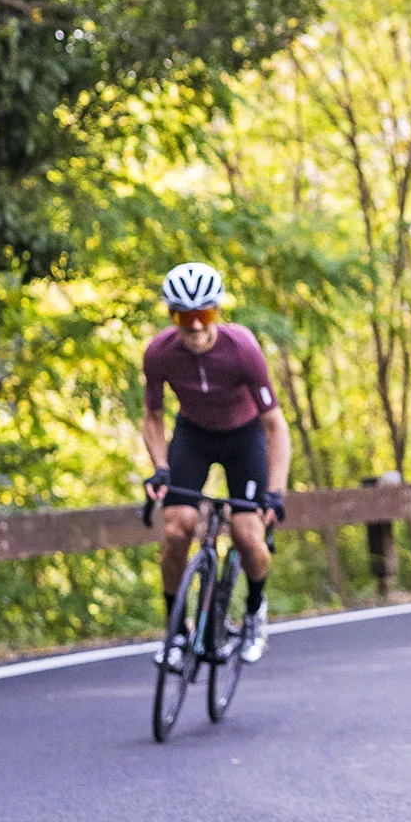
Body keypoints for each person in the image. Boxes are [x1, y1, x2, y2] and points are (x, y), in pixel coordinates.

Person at [141, 262, 291, 665]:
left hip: (244, 439)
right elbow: (153, 418)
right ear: (171, 316)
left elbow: (274, 425)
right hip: (193, 436)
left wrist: (275, 491)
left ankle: (254, 611)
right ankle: (175, 631)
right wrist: (159, 467)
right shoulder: (159, 354)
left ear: (217, 313)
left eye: (204, 315)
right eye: (183, 317)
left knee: (247, 534)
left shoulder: (242, 348)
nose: (195, 328)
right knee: (177, 530)